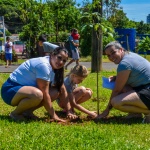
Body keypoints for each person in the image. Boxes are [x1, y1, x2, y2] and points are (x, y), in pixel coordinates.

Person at [1, 46, 77, 122]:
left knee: (55, 92)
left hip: (23, 91)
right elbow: (45, 93)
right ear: (53, 54)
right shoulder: (43, 65)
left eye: (64, 61)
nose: (61, 62)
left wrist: (69, 111)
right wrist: (54, 116)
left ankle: (27, 112)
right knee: (38, 94)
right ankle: (15, 114)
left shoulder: (55, 67)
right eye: (59, 58)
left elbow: (62, 88)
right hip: (9, 90)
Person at [97, 41, 150, 123]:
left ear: (121, 50)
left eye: (113, 52)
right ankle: (135, 114)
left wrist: (106, 110)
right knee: (124, 87)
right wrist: (117, 77)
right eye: (108, 55)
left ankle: (148, 112)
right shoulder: (130, 55)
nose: (111, 57)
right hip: (145, 87)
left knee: (116, 102)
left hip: (147, 89)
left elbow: (117, 90)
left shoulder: (124, 64)